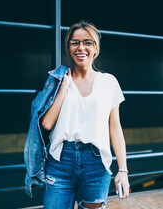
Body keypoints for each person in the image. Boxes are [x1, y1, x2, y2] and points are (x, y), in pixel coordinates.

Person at [40, 20, 130, 209]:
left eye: (88, 42)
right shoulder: (57, 80)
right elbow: (47, 124)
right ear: (69, 47)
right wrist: (64, 87)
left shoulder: (108, 82)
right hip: (60, 162)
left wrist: (123, 170)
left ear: (96, 48)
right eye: (75, 42)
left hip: (95, 164)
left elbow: (115, 128)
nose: (81, 48)